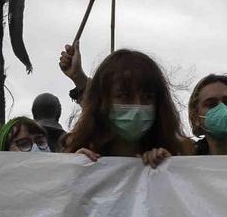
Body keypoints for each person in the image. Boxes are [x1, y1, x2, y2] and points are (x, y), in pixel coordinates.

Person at [61, 49, 189, 168]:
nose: (138, 106)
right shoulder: (82, 156)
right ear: (101, 102)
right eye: (125, 96)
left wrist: (169, 169)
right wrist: (74, 171)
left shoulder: (173, 155)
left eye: (147, 97)